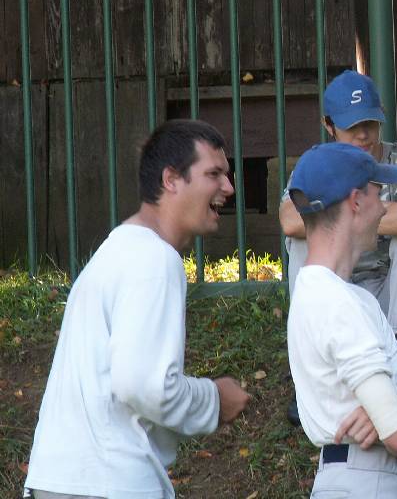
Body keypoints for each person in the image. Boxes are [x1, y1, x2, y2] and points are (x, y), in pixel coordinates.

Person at [24, 119, 250, 499]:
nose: (228, 187)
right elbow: (144, 386)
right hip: (108, 483)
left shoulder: (119, 250)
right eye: (214, 173)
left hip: (63, 480)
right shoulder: (153, 259)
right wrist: (214, 399)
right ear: (171, 179)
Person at [287, 142, 397, 498]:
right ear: (355, 201)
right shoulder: (336, 303)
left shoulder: (347, 298)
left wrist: (392, 411)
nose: (384, 207)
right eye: (377, 193)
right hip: (368, 483)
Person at [280, 70, 397, 352]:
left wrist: (338, 216)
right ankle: (312, 345)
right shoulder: (315, 164)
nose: (364, 134)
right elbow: (291, 221)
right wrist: (378, 215)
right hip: (340, 300)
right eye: (351, 126)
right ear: (328, 125)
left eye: (370, 122)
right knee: (299, 242)